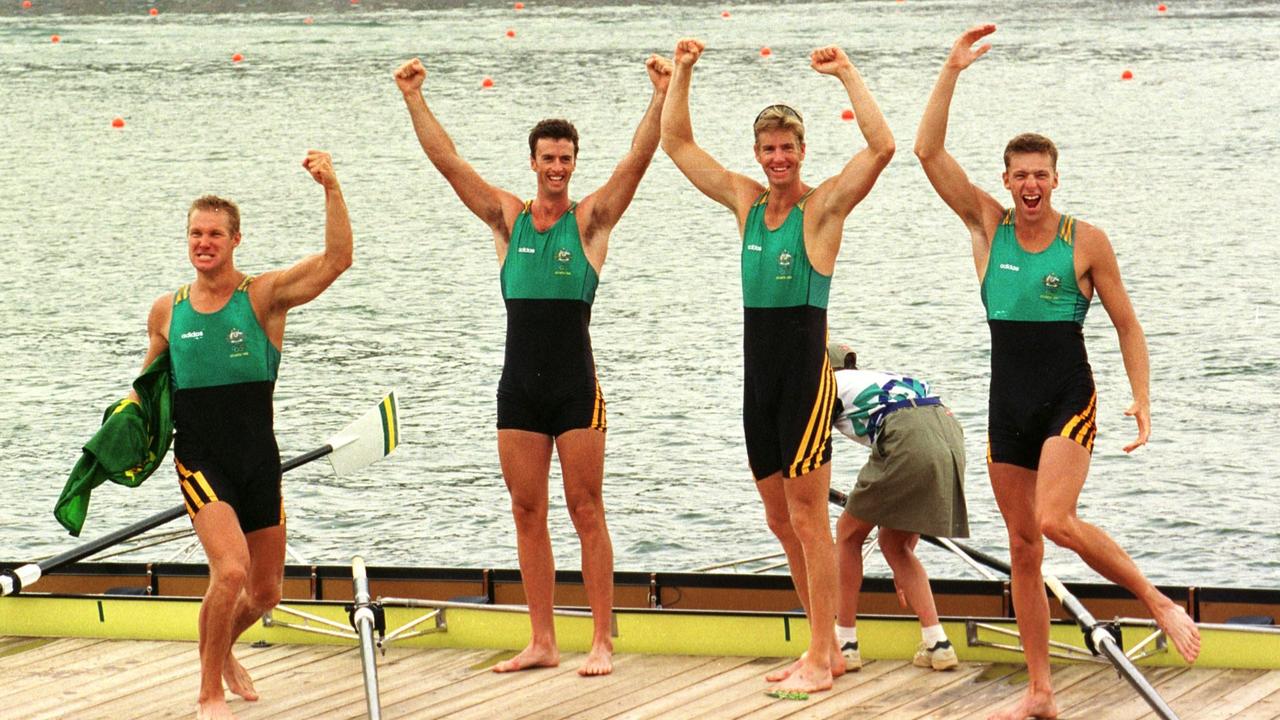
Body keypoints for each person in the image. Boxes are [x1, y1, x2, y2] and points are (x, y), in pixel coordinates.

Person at [913, 24, 1200, 720]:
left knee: (1055, 518)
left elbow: (1127, 324)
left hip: (1067, 395)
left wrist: (1142, 401)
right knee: (1023, 547)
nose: (1031, 184)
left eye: (1041, 174)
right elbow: (926, 151)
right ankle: (1040, 693)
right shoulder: (988, 226)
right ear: (1007, 182)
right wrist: (951, 68)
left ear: (1055, 178)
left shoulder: (1085, 241)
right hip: (1005, 402)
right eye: (1020, 175)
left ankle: (1155, 601)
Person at [393, 54, 671, 677]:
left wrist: (661, 95)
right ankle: (542, 639)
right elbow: (449, 164)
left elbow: (638, 161)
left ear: (575, 164)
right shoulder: (507, 218)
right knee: (526, 512)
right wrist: (414, 98)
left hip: (576, 388)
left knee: (587, 510)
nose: (556, 168)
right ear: (533, 162)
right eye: (546, 158)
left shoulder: (591, 222)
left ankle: (601, 639)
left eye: (565, 159)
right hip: (518, 388)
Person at [661, 39, 894, 695]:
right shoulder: (746, 202)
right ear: (758, 155)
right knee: (778, 518)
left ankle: (826, 655)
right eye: (768, 149)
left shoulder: (821, 209)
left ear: (801, 150)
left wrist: (848, 72)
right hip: (758, 379)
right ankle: (821, 646)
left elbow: (881, 149)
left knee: (807, 515)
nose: (778, 158)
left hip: (804, 379)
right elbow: (676, 144)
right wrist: (682, 73)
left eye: (787, 148)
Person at [131, 151, 353, 720]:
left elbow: (337, 259)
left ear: (235, 241)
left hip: (260, 460)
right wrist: (119, 431)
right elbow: (144, 388)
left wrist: (330, 187)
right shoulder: (167, 311)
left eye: (215, 234)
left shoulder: (263, 297)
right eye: (195, 234)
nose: (203, 242)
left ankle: (221, 646)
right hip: (200, 461)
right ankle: (208, 691)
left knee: (266, 593)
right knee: (230, 571)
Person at [826, 341, 968, 674]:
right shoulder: (879, 378)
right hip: (949, 435)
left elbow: (812, 451)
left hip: (906, 436)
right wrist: (901, 559)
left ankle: (845, 644)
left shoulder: (827, 387)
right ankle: (939, 644)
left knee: (847, 534)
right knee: (895, 545)